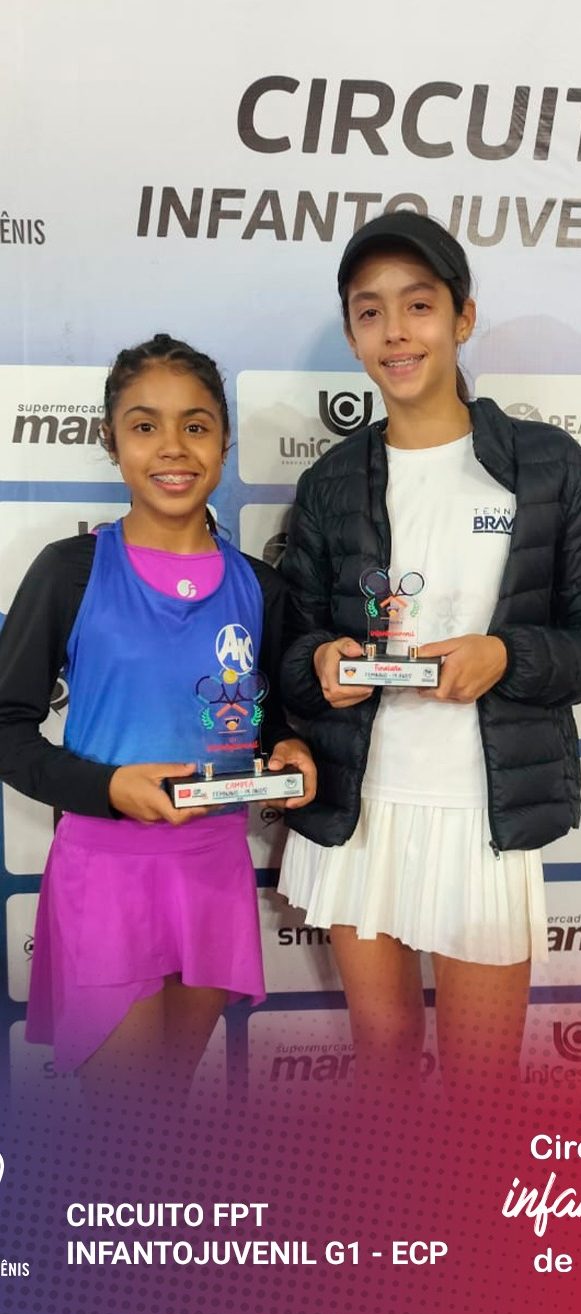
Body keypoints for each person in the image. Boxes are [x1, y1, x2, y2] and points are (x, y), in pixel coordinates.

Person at [277, 211, 581, 1097]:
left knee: (481, 1089)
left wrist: (505, 656)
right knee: (382, 1073)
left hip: (481, 813)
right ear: (351, 335)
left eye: (417, 305)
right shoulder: (330, 482)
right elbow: (290, 651)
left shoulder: (548, 466)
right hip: (359, 811)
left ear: (462, 317)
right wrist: (319, 665)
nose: (395, 332)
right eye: (369, 312)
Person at [0, 333, 315, 1107]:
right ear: (112, 442)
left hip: (211, 872)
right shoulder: (71, 571)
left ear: (224, 441)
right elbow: (6, 726)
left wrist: (290, 750)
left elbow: (276, 721)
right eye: (145, 425)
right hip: (108, 878)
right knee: (125, 1117)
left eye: (195, 425)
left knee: (166, 1109)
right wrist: (108, 788)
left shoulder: (261, 588)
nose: (173, 446)